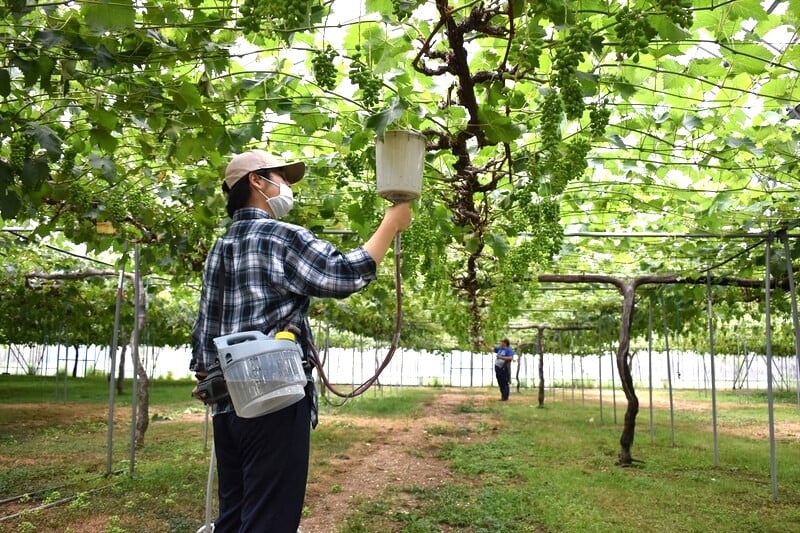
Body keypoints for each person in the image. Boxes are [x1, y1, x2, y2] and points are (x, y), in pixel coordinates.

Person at [190, 148, 412, 533]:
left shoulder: (219, 247)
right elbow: (343, 274)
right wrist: (390, 223)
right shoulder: (280, 236)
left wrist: (210, 378)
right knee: (269, 518)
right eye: (282, 177)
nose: (288, 185)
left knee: (234, 514)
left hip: (226, 404)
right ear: (257, 182)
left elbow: (205, 329)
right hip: (271, 399)